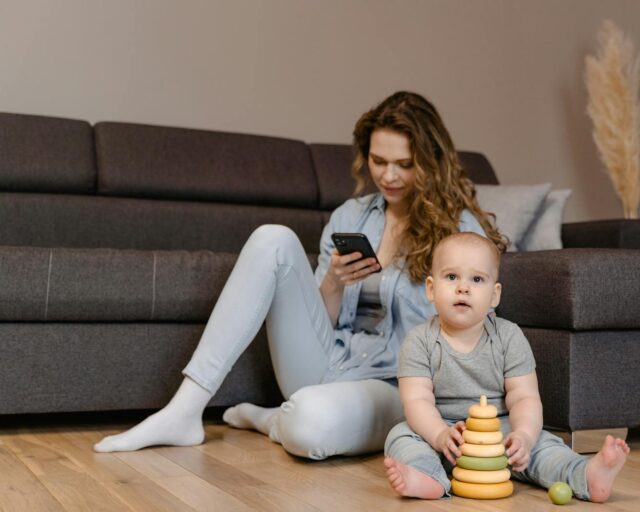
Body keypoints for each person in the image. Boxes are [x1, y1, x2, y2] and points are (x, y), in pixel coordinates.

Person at [93, 91, 507, 459]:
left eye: (404, 164)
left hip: (397, 385)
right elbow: (318, 322)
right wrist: (333, 282)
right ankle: (185, 410)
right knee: (271, 238)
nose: (389, 176)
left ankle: (276, 420)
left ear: (431, 164)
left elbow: (472, 324)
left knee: (308, 426)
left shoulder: (460, 231)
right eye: (378, 161)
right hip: (330, 361)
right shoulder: (351, 215)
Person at [383, 232, 629, 502]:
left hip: (499, 433)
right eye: (452, 277)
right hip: (445, 436)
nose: (463, 288)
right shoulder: (419, 341)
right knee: (401, 436)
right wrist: (440, 435)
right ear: (431, 289)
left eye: (477, 279)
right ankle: (427, 477)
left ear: (494, 295)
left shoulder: (509, 337)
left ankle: (585, 475)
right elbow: (417, 401)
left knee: (542, 443)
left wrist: (523, 436)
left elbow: (524, 397)